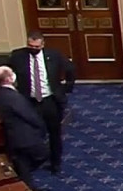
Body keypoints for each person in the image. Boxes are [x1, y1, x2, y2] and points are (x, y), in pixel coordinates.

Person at [7, 31, 75, 175]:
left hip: (50, 100)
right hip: (29, 101)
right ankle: (33, 160)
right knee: (30, 133)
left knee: (54, 133)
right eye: (30, 46)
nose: (33, 49)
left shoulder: (54, 55)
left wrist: (66, 87)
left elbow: (70, 69)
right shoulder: (18, 56)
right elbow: (5, 73)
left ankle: (55, 163)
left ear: (42, 45)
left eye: (36, 47)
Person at [0, 66, 48, 190]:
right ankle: (20, 177)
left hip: (12, 136)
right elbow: (28, 115)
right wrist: (41, 127)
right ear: (9, 79)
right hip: (25, 136)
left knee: (22, 163)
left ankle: (28, 188)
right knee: (43, 154)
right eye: (12, 73)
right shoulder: (14, 98)